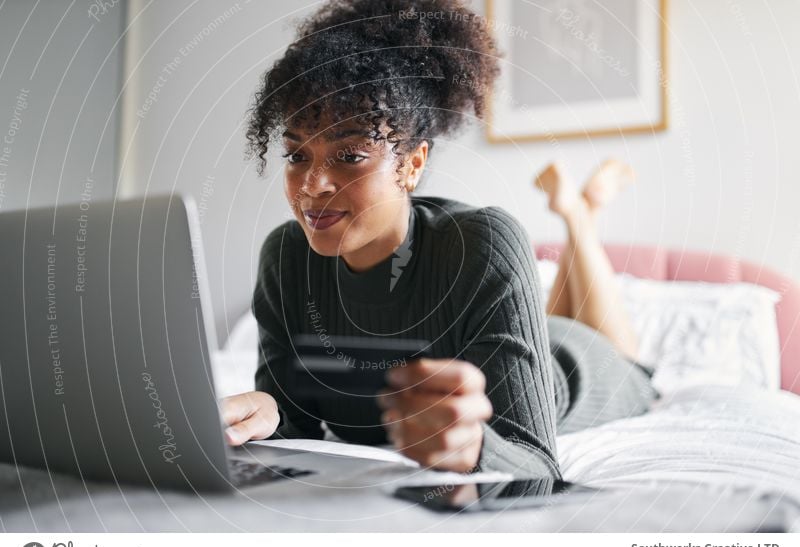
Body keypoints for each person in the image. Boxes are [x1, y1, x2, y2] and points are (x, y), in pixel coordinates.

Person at [220, 0, 658, 479]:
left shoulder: (483, 243)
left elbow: (537, 466)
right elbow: (298, 431)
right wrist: (266, 415)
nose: (311, 186)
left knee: (613, 346)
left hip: (578, 367)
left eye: (348, 155)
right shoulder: (285, 259)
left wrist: (476, 450)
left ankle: (579, 218)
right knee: (549, 317)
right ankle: (579, 212)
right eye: (296, 156)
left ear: (412, 164)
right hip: (525, 338)